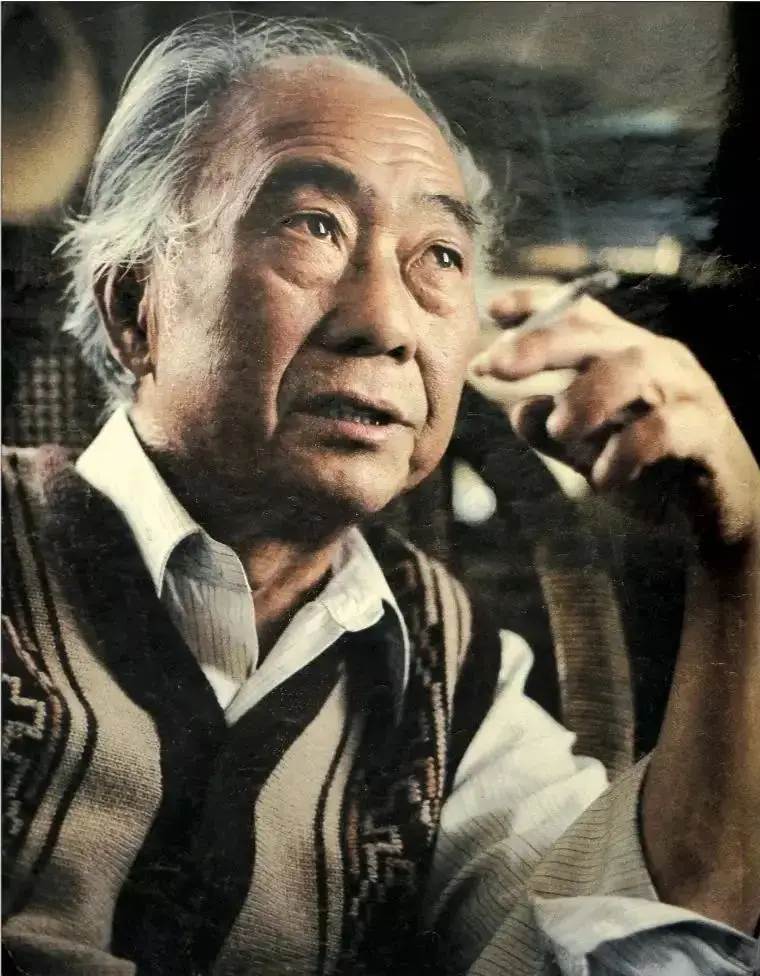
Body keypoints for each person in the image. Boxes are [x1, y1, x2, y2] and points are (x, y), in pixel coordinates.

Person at [2, 19, 758, 976]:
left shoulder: (450, 669)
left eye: (438, 254)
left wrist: (742, 560)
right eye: (314, 225)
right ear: (134, 307)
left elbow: (636, 949)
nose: (387, 323)